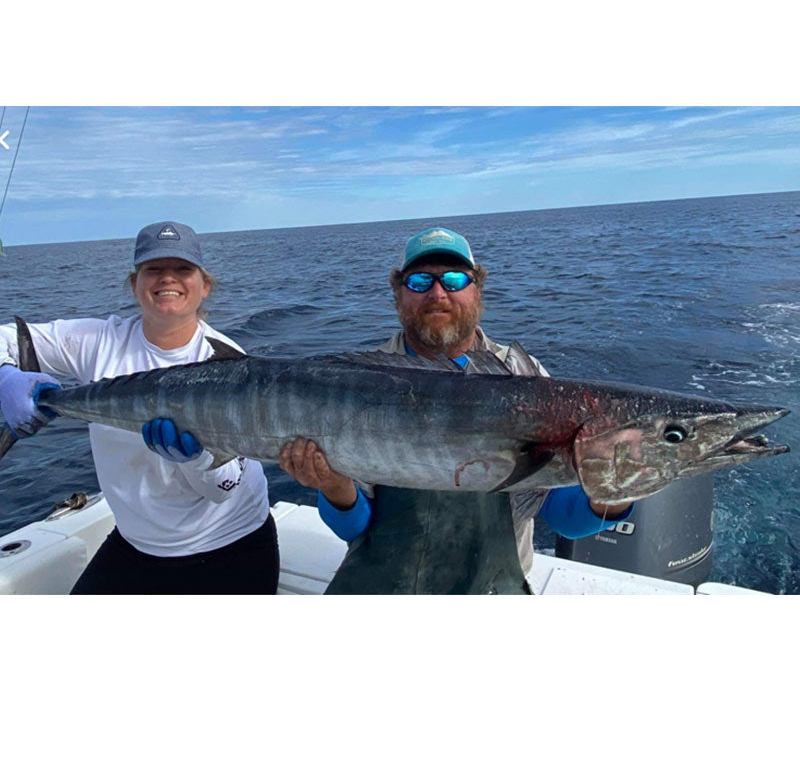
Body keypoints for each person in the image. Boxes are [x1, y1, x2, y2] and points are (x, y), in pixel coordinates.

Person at [279, 226, 634, 593]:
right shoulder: (360, 380)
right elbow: (355, 529)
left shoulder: (526, 378)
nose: (437, 294)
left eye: (454, 279)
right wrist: (335, 487)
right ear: (398, 294)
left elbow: (563, 518)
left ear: (477, 290)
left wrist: (615, 489)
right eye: (419, 281)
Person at [0, 221, 277, 594]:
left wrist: (193, 459)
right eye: (153, 269)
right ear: (134, 284)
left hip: (231, 545)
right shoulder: (99, 340)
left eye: (182, 269)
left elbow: (224, 488)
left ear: (205, 286)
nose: (168, 279)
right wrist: (6, 376)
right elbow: (7, 339)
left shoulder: (233, 366)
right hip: (136, 545)